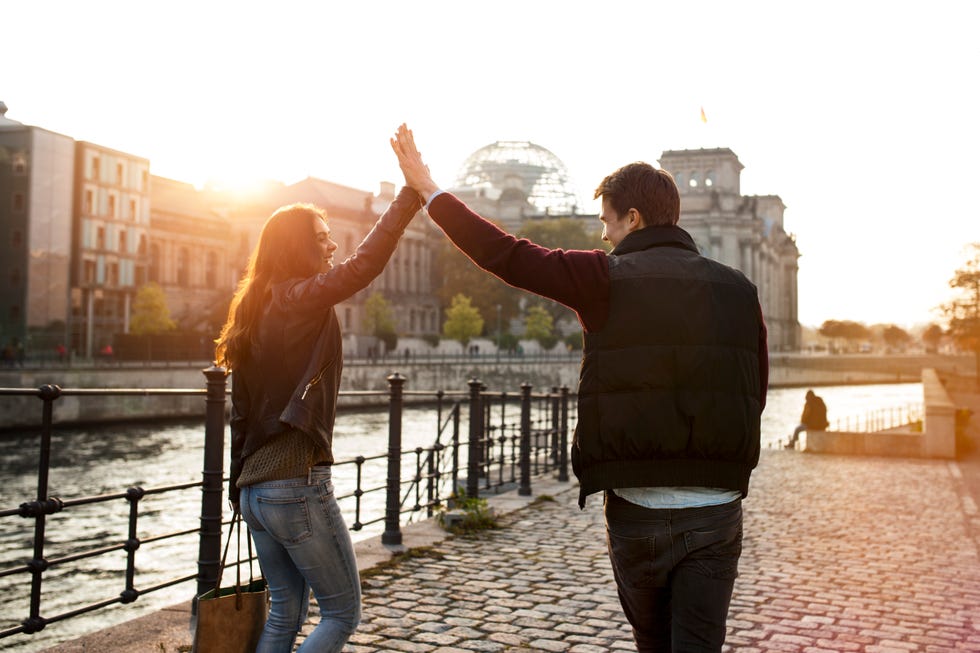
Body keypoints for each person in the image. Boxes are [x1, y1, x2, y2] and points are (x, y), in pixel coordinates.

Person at [391, 124, 768, 653]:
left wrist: (430, 190)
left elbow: (506, 254)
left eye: (606, 224)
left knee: (653, 643)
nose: (604, 237)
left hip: (637, 504)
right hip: (717, 505)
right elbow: (756, 390)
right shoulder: (740, 289)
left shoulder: (603, 278)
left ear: (632, 218)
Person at [214, 188, 421, 652]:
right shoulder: (296, 299)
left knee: (286, 610)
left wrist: (236, 486)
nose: (331, 247)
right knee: (342, 613)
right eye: (322, 238)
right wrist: (410, 196)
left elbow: (240, 413)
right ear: (297, 247)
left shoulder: (253, 307)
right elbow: (362, 266)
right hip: (294, 482)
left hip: (254, 491)